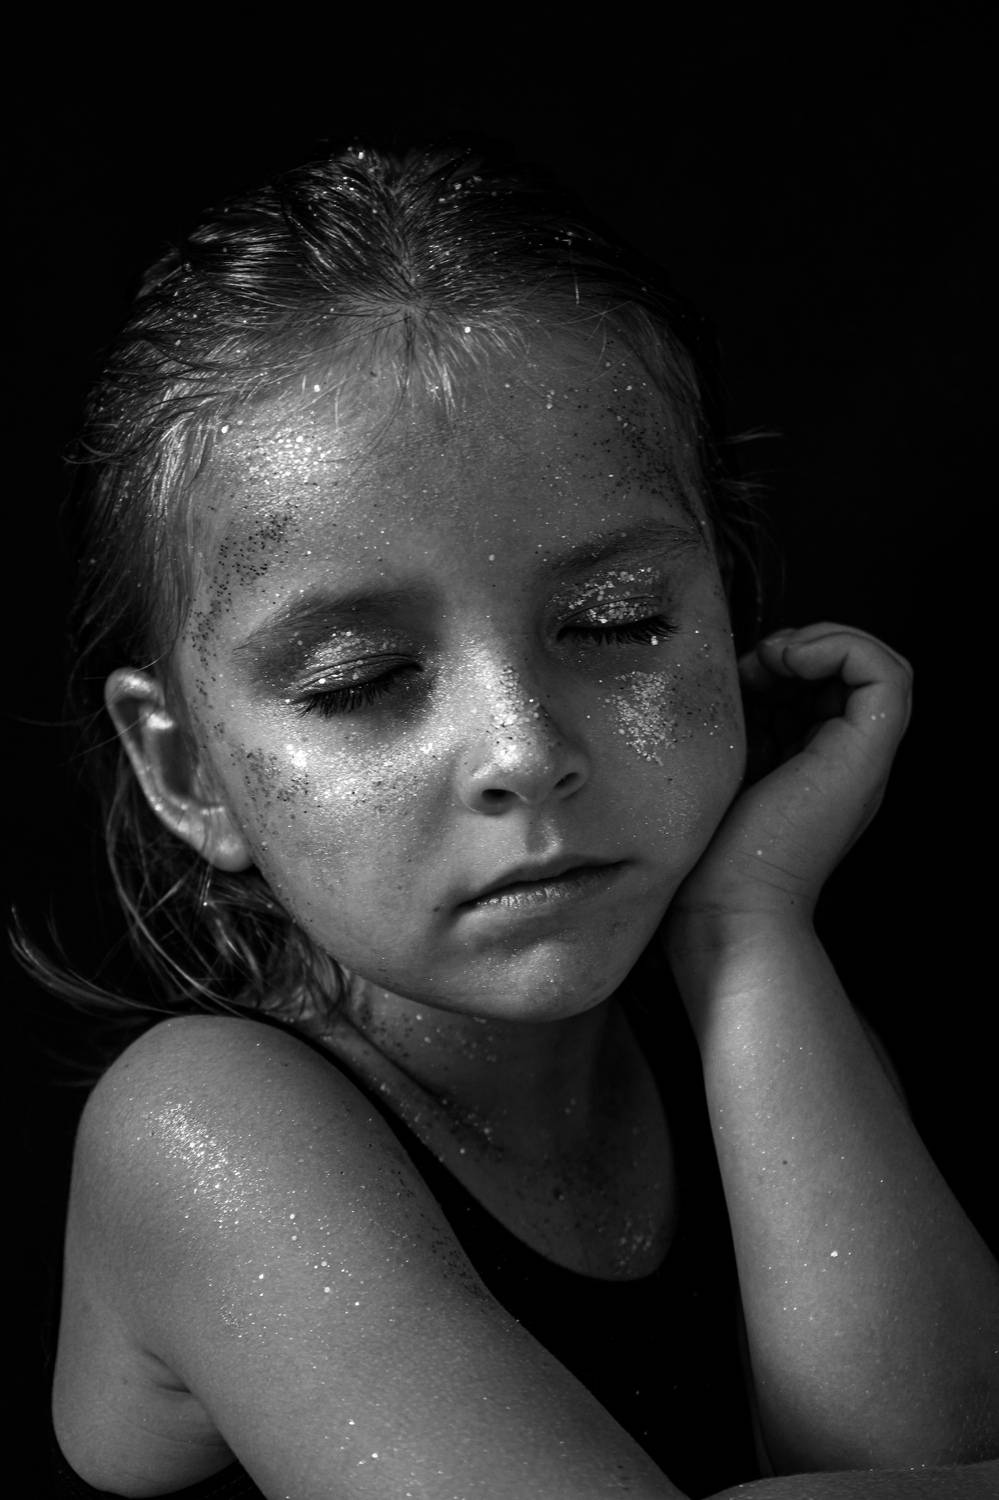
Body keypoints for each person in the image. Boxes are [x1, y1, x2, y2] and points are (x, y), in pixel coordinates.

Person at [31, 144, 997, 1498]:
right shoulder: (204, 1134)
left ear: (725, 614)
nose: (525, 751)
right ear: (187, 766)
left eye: (615, 624)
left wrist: (749, 933)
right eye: (360, 681)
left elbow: (929, 1449)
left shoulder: (745, 1026)